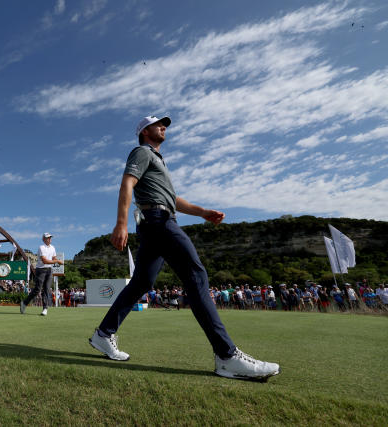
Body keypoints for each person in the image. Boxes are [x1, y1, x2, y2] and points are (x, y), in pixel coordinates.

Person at [88, 115, 279, 381]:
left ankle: (103, 334)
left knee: (142, 282)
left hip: (158, 218)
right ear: (144, 131)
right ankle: (226, 356)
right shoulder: (142, 152)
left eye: (163, 124)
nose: (163, 126)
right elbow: (127, 182)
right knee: (196, 276)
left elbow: (173, 199)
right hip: (158, 221)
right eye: (157, 124)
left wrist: (202, 212)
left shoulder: (159, 162)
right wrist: (121, 223)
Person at [20, 232, 63, 316]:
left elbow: (53, 258)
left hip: (49, 270)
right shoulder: (41, 247)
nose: (49, 239)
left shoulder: (53, 247)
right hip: (41, 270)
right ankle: (24, 303)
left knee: (47, 289)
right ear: (43, 239)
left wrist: (57, 261)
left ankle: (45, 308)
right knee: (37, 289)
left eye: (50, 238)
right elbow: (45, 261)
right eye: (47, 238)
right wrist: (57, 261)